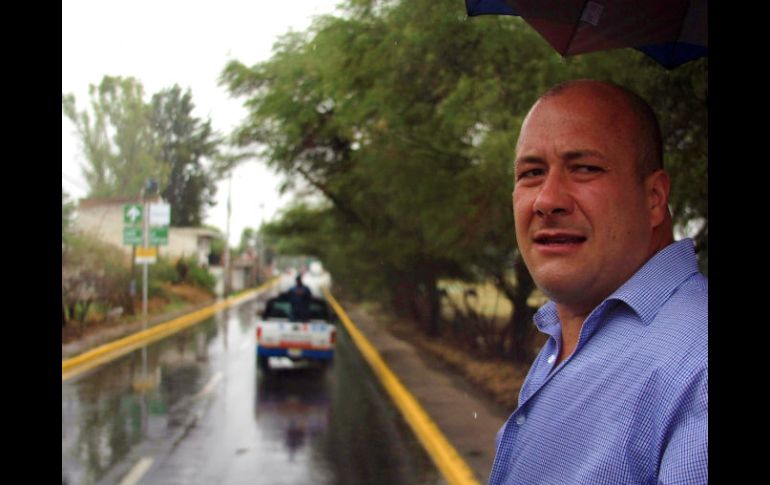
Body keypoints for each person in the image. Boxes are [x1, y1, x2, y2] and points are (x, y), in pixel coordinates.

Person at [487, 80, 707, 485]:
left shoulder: (697, 367)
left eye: (585, 168)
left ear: (655, 197)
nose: (547, 200)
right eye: (531, 173)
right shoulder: (569, 330)